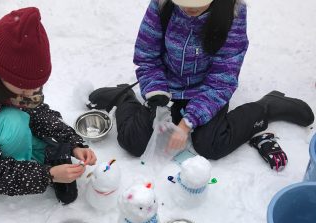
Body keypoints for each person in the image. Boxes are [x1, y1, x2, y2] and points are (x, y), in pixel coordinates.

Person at [88, 0, 314, 171]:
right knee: (133, 143)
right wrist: (157, 93)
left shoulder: (232, 14)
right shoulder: (162, 5)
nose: (190, 8)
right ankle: (124, 97)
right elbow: (147, 56)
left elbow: (223, 79)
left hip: (205, 89)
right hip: (165, 87)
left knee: (210, 145)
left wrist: (188, 122)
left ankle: (266, 107)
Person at [0, 7, 96, 204]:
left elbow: (34, 107)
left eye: (36, 88)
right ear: (0, 74)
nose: (31, 94)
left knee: (21, 118)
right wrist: (47, 175)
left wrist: (72, 141)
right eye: (23, 91)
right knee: (15, 125)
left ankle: (36, 154)